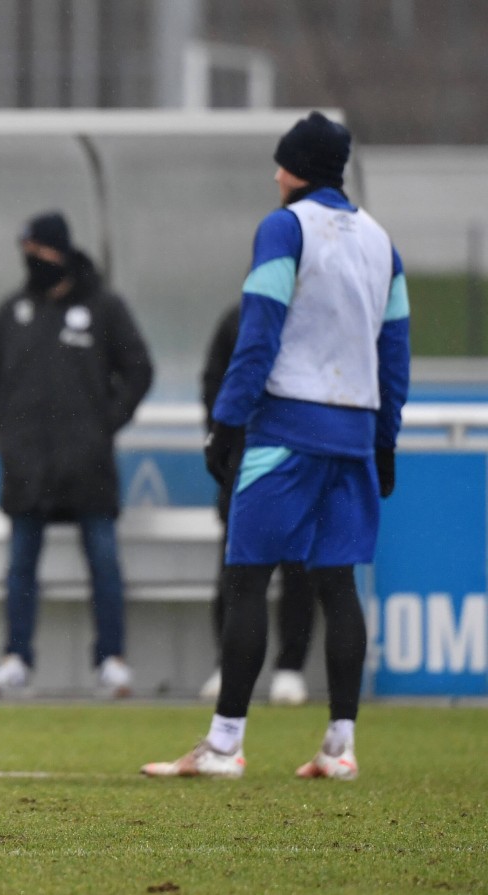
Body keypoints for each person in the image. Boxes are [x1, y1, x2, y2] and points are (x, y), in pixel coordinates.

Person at [142, 111, 410, 781]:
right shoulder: (383, 242)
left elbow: (258, 333)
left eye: (281, 163)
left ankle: (225, 745)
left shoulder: (284, 227)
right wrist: (384, 441)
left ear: (299, 169)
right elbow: (394, 353)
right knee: (338, 581)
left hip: (286, 428)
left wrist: (227, 423)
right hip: (353, 431)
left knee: (247, 579)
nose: (275, 174)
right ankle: (339, 746)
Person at [0, 211, 153, 699]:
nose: (31, 262)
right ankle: (15, 658)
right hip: (27, 465)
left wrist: (104, 426)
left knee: (103, 561)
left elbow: (139, 370)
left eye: (38, 252)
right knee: (20, 566)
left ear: (60, 253)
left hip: (88, 466)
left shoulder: (104, 308)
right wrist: (5, 427)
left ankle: (111, 661)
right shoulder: (14, 311)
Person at [197, 303, 316, 707]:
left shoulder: (309, 320)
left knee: (299, 571)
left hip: (297, 460)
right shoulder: (235, 320)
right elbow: (214, 384)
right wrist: (224, 438)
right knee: (235, 573)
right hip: (245, 464)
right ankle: (226, 664)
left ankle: (289, 668)